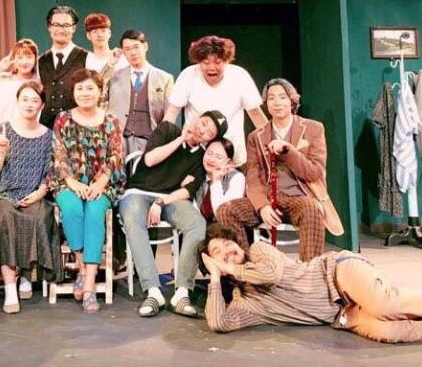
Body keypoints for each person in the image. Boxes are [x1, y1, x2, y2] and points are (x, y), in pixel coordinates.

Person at [199, 224, 422, 342]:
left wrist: (230, 267)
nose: (226, 251)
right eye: (217, 254)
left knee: (384, 303)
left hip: (338, 273)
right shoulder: (246, 302)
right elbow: (219, 322)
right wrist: (214, 276)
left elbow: (272, 275)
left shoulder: (259, 252)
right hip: (341, 313)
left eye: (226, 244)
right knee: (387, 331)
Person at [216, 78, 343, 261]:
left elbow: (314, 172)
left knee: (312, 208)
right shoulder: (256, 136)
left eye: (282, 97)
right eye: (271, 98)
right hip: (269, 198)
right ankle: (247, 268)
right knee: (226, 210)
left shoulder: (313, 129)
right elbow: (253, 177)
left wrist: (289, 151)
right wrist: (262, 206)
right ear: (266, 103)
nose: (277, 103)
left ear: (292, 101)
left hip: (300, 197)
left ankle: (309, 272)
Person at [118, 110, 227, 318]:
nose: (202, 130)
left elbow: (187, 191)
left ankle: (182, 292)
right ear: (197, 118)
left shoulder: (201, 157)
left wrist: (161, 202)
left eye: (209, 133)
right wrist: (181, 139)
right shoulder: (168, 130)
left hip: (169, 200)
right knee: (133, 215)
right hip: (138, 192)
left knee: (196, 223)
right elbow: (149, 160)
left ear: (210, 140)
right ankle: (153, 291)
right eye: (204, 123)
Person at [50, 69, 125, 313]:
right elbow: (59, 153)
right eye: (80, 88)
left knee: (94, 212)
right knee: (72, 209)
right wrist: (71, 182)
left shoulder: (111, 120)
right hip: (68, 182)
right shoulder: (63, 119)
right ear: (73, 92)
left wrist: (101, 181)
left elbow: (116, 155)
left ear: (99, 91)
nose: (85, 93)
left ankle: (89, 284)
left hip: (103, 183)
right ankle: (82, 268)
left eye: (90, 88)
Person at [0, 81, 61, 314]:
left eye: (34, 100)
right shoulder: (2, 130)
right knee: (7, 217)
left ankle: (27, 273)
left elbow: (50, 173)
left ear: (42, 105)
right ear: (17, 102)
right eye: (24, 99)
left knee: (38, 215)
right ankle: (10, 287)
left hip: (32, 194)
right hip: (0, 193)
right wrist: (2, 152)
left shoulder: (48, 136)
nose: (29, 104)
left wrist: (40, 192)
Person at [163, 35, 267, 168]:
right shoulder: (188, 75)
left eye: (218, 62)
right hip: (194, 154)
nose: (211, 67)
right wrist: (161, 143)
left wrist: (271, 142)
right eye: (206, 63)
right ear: (198, 62)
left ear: (227, 61)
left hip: (231, 156)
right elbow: (172, 112)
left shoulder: (240, 75)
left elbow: (256, 114)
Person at [106, 29, 173, 162]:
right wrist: (110, 64)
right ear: (123, 52)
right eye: (127, 49)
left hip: (149, 141)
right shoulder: (114, 76)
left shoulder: (165, 78)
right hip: (118, 139)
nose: (133, 52)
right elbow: (98, 90)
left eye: (136, 47)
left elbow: (169, 115)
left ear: (145, 46)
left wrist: (160, 142)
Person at [39, 5, 88, 128]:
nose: (61, 29)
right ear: (49, 27)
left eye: (66, 25)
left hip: (76, 127)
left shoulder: (87, 57)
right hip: (46, 128)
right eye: (56, 25)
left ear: (74, 28)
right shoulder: (40, 60)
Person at [0, 38, 40, 126]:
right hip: (3, 130)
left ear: (35, 59)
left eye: (29, 57)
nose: (24, 62)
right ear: (14, 59)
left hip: (30, 130)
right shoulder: (3, 79)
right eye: (19, 57)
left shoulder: (39, 82)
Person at [193, 137, 245, 223]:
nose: (211, 159)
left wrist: (216, 180)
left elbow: (224, 215)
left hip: (228, 228)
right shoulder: (200, 177)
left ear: (228, 162)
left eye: (218, 157)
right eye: (209, 153)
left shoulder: (236, 177)